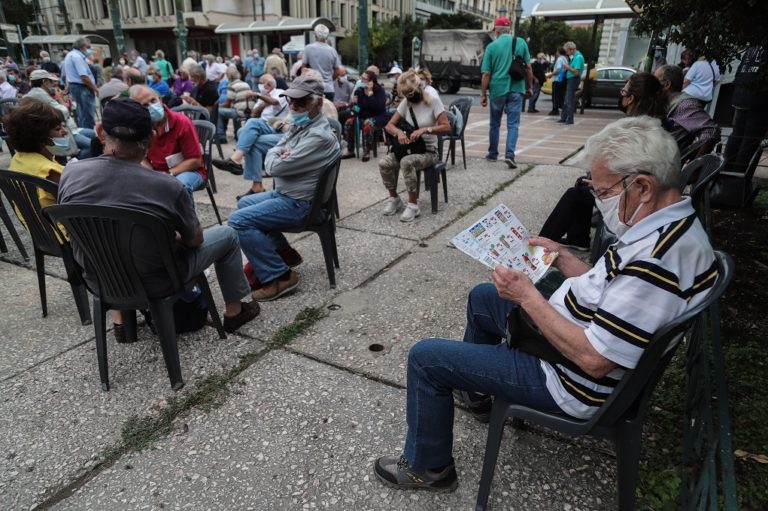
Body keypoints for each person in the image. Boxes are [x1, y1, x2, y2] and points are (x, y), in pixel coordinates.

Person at [374, 115, 718, 493]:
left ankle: (429, 468)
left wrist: (528, 296)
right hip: (571, 345)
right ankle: (476, 395)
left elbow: (595, 360)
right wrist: (566, 260)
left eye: (602, 193)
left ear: (642, 186)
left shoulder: (656, 261)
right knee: (483, 297)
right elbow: (617, 289)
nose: (598, 201)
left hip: (570, 380)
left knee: (426, 358)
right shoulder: (669, 226)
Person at [58, 98, 260, 333]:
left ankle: (121, 322)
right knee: (227, 235)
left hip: (99, 280)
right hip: (157, 283)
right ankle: (234, 312)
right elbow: (195, 241)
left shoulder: (70, 174)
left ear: (101, 132)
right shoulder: (166, 186)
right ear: (152, 137)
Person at [227, 76, 341, 301]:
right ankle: (283, 253)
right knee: (244, 203)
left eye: (301, 102)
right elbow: (278, 150)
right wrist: (278, 152)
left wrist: (277, 153)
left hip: (301, 205)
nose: (294, 107)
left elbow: (273, 167)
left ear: (318, 103)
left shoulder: (317, 135)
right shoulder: (303, 125)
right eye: (291, 101)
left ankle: (279, 276)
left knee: (238, 220)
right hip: (290, 196)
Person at [540, 72, 669, 251]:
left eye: (623, 90)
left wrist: (603, 185)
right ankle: (578, 238)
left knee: (576, 193)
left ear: (630, 99)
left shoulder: (635, 130)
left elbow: (624, 170)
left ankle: (538, 246)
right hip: (641, 192)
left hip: (634, 199)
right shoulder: (656, 125)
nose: (621, 94)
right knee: (583, 186)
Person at [379, 70, 451, 222]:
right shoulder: (406, 103)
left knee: (407, 162)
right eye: (405, 94)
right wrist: (399, 133)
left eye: (411, 93)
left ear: (419, 88)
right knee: (384, 163)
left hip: (428, 151)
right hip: (408, 148)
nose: (409, 97)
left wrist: (426, 129)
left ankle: (413, 205)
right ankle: (394, 198)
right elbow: (389, 125)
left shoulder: (433, 100)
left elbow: (447, 127)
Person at [212, 73, 289, 197]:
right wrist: (262, 103)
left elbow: (275, 102)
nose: (259, 85)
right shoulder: (261, 98)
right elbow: (254, 114)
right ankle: (256, 186)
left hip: (276, 125)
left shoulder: (279, 92)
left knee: (251, 127)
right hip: (262, 126)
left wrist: (261, 96)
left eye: (261, 83)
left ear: (268, 84)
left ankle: (236, 159)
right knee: (243, 132)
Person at [129, 85, 206, 197]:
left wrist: (168, 174)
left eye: (153, 100)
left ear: (160, 99)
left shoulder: (182, 122)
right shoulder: (141, 126)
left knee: (178, 186)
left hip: (188, 170)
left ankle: (185, 214)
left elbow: (195, 160)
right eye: (145, 105)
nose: (152, 106)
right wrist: (151, 174)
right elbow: (141, 158)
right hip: (157, 172)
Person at [480, 17, 532, 169]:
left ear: (496, 31)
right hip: (517, 89)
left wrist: (483, 94)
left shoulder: (491, 47)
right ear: (509, 30)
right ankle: (510, 155)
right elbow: (528, 68)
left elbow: (486, 74)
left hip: (497, 90)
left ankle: (492, 153)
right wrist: (529, 87)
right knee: (513, 124)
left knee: (494, 124)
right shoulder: (521, 43)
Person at [5, 99, 69, 207]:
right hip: (59, 223)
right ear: (41, 137)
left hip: (34, 222)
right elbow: (78, 203)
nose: (65, 131)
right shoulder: (50, 172)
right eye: (58, 129)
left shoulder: (18, 158)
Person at [25, 70, 97, 160]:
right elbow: (63, 111)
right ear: (44, 82)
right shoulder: (39, 94)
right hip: (61, 132)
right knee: (95, 146)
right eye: (51, 81)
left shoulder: (36, 93)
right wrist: (60, 99)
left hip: (65, 129)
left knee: (91, 133)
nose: (52, 84)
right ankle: (75, 162)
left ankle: (76, 156)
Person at [655, 65, 721, 158]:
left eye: (654, 81)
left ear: (667, 84)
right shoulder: (664, 103)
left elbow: (711, 131)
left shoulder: (684, 104)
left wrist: (694, 168)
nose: (651, 85)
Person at [723, 46, 768, 174]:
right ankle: (735, 178)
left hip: (742, 95)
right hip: (759, 100)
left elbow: (738, 73)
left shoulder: (753, 47)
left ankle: (724, 172)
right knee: (748, 140)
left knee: (737, 135)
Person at [342, 69, 389, 161]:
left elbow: (378, 108)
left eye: (364, 79)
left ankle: (366, 151)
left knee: (367, 123)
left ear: (371, 81)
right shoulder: (359, 91)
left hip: (378, 117)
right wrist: (354, 104)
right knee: (349, 122)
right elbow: (356, 111)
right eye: (361, 78)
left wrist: (370, 94)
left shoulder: (379, 90)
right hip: (363, 116)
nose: (361, 80)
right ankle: (350, 150)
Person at [62, 37, 99, 130]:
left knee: (82, 113)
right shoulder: (77, 57)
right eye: (88, 47)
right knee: (87, 114)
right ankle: (89, 135)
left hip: (76, 87)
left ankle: (85, 132)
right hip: (83, 88)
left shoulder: (70, 55)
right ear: (82, 47)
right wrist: (95, 88)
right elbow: (84, 76)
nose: (89, 49)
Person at [302, 24, 341, 101]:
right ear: (327, 36)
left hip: (313, 88)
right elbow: (337, 71)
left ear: (315, 35)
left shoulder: (308, 48)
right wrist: (330, 79)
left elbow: (303, 68)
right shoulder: (332, 50)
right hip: (329, 88)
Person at [216, 68, 252, 143]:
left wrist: (218, 106)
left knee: (219, 112)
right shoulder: (245, 84)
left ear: (229, 77)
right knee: (229, 111)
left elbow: (227, 104)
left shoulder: (231, 85)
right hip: (249, 110)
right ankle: (236, 134)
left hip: (239, 111)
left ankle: (220, 136)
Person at [559, 41, 584, 125]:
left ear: (572, 50)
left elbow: (576, 72)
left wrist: (567, 67)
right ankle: (564, 117)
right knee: (567, 99)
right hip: (571, 79)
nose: (567, 53)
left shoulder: (578, 57)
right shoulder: (575, 57)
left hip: (573, 79)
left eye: (567, 51)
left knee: (569, 99)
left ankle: (570, 119)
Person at [547, 47, 568, 116]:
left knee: (555, 96)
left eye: (557, 51)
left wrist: (551, 74)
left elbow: (558, 70)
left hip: (557, 79)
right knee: (561, 96)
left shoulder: (559, 59)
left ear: (559, 52)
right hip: (563, 80)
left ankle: (555, 110)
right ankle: (560, 109)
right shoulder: (565, 59)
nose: (556, 53)